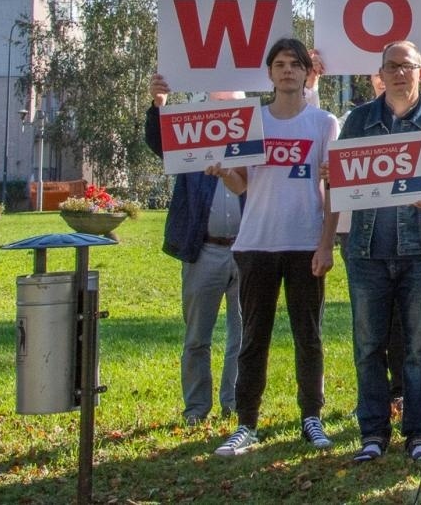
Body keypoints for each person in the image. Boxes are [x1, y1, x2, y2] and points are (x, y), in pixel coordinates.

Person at [205, 38, 341, 457]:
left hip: (305, 244)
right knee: (253, 337)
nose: (287, 71)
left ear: (306, 73)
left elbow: (335, 189)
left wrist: (326, 245)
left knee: (309, 337)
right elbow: (242, 183)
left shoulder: (323, 123)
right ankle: (246, 422)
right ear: (269, 73)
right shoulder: (252, 121)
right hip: (257, 243)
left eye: (294, 65)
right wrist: (224, 173)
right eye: (279, 64)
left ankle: (311, 418)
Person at [340, 40, 421, 464]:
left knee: (417, 348)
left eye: (406, 66)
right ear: (381, 73)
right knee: (368, 346)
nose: (398, 73)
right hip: (367, 251)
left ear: (420, 70)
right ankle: (372, 433)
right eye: (390, 66)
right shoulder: (357, 120)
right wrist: (334, 174)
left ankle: (418, 432)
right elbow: (345, 179)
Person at [143, 80, 244, 427]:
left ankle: (234, 403)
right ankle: (196, 408)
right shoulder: (191, 136)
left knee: (242, 335)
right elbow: (159, 143)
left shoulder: (252, 136)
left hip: (246, 248)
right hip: (204, 249)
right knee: (197, 336)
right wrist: (159, 104)